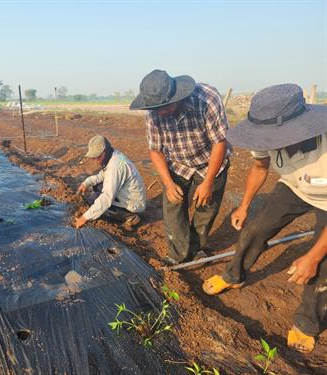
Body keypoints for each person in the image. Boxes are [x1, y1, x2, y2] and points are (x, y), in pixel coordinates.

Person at [202, 84, 326, 353]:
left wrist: (313, 257)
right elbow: (260, 167)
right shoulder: (265, 138)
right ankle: (234, 275)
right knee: (255, 228)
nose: (266, 141)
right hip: (294, 187)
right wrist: (244, 206)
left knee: (323, 263)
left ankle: (307, 323)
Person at [130, 70, 230, 265]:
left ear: (178, 96)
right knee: (173, 207)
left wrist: (208, 182)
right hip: (177, 163)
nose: (160, 112)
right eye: (156, 108)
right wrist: (168, 184)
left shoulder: (207, 99)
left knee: (206, 208)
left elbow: (220, 142)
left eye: (165, 107)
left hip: (209, 162)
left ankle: (195, 248)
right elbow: (156, 151)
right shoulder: (153, 114)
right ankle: (178, 255)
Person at [75, 135, 146, 230]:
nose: (95, 160)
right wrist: (86, 183)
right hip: (128, 194)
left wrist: (85, 217)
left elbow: (107, 197)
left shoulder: (115, 166)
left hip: (134, 204)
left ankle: (130, 216)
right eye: (93, 157)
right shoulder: (112, 156)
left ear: (105, 151)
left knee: (101, 206)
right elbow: (102, 176)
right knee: (97, 188)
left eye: (98, 156)